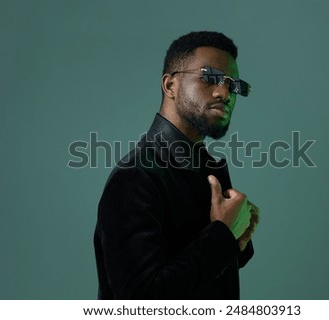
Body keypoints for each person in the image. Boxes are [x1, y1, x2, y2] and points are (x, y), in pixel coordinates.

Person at [94, 31, 259, 299]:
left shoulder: (203, 170)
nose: (224, 93)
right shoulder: (135, 177)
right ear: (170, 86)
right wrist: (222, 234)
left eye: (233, 85)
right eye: (211, 77)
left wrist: (235, 239)